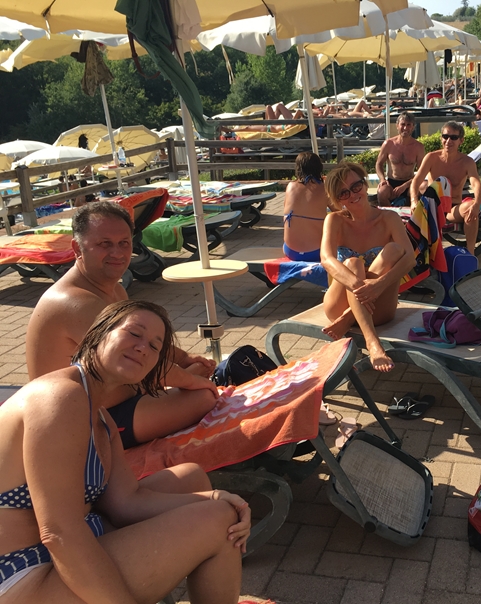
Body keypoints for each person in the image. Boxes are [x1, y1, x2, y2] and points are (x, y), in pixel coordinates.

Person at [0, 299, 249, 602]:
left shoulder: (101, 417)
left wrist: (217, 496)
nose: (143, 348)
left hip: (64, 547)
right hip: (19, 574)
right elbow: (59, 533)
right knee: (219, 521)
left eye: (155, 346)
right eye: (134, 333)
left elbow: (125, 503)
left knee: (193, 479)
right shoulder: (60, 398)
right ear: (98, 334)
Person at [26, 202, 219, 450]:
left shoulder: (114, 290)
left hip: (116, 401)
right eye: (104, 244)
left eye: (124, 243)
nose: (117, 253)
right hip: (77, 422)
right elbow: (147, 366)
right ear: (77, 248)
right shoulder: (73, 301)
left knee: (196, 383)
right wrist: (190, 380)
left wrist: (185, 359)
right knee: (202, 397)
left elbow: (143, 342)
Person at [320, 162, 415, 372]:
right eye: (344, 193)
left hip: (380, 308)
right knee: (353, 263)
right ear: (337, 199)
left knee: (394, 250)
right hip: (338, 304)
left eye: (356, 186)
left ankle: (349, 317)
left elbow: (410, 259)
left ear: (365, 184)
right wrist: (359, 286)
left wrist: (378, 285)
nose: (353, 194)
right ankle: (372, 342)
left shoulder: (389, 218)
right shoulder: (334, 220)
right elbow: (326, 259)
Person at [410, 121, 481, 255]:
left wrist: (477, 204)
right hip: (432, 207)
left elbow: (476, 183)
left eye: (453, 137)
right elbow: (416, 180)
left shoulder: (467, 162)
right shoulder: (431, 158)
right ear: (441, 138)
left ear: (461, 140)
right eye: (445, 136)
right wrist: (414, 201)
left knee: (471, 208)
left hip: (452, 208)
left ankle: (470, 253)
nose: (448, 141)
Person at [283, 152, 329, 261]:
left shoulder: (290, 186)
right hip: (317, 251)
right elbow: (340, 210)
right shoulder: (324, 188)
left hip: (290, 251)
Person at [375, 112, 425, 207]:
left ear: (413, 127)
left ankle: (417, 213)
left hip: (410, 182)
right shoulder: (388, 144)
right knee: (382, 192)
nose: (405, 128)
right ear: (397, 126)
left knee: (424, 187)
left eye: (408, 125)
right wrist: (382, 179)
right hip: (391, 182)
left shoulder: (418, 147)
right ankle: (388, 214)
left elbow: (421, 172)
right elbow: (378, 164)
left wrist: (405, 186)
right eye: (403, 124)